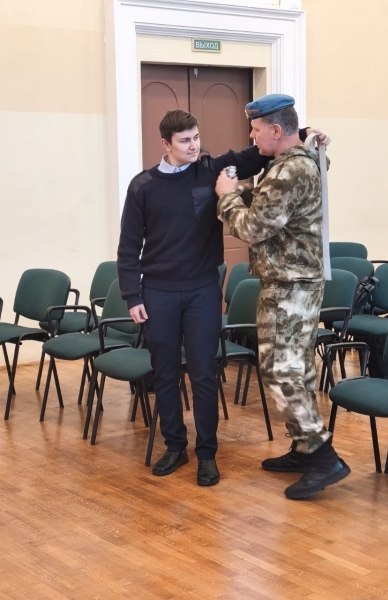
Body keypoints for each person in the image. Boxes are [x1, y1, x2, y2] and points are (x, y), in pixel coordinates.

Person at [117, 108, 325, 488]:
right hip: (158, 291)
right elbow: (129, 247)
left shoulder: (212, 170)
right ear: (165, 144)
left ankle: (207, 453)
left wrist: (305, 133)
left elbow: (258, 154)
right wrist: (132, 295)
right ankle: (175, 446)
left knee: (203, 373)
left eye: (196, 138)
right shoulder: (142, 186)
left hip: (201, 290)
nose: (193, 146)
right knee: (164, 372)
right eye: (184, 141)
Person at [215, 94, 350, 499]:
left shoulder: (289, 170)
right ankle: (305, 449)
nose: (251, 136)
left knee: (280, 370)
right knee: (298, 369)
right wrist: (309, 136)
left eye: (256, 129)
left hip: (289, 286)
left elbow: (252, 228)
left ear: (276, 130)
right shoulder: (299, 161)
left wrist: (227, 194)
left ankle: (323, 457)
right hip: (295, 282)